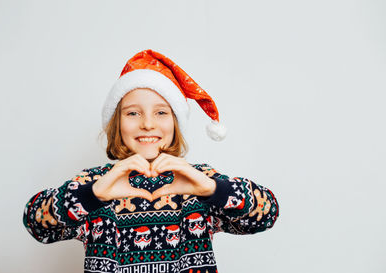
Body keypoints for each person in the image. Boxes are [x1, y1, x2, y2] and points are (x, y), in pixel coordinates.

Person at [23, 49, 279, 273]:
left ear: (175, 122)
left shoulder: (196, 181)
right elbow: (36, 224)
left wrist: (212, 189)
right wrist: (94, 194)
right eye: (133, 112)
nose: (147, 123)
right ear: (117, 123)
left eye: (161, 112)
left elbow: (266, 214)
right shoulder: (94, 184)